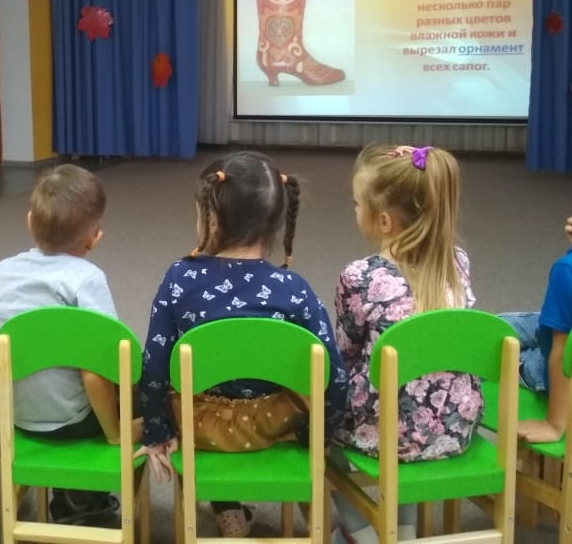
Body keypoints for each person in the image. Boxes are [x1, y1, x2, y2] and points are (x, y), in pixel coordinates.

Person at [137, 151, 347, 538]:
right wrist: (315, 434)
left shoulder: (179, 278)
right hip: (273, 424)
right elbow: (335, 378)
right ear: (277, 222)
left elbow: (153, 366)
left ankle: (226, 508)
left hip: (199, 427)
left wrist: (157, 432)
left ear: (211, 217)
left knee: (166, 385)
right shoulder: (294, 289)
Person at [332, 144, 477, 544]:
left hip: (387, 432)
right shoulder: (457, 262)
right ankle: (405, 530)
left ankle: (363, 533)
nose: (354, 209)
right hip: (454, 425)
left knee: (317, 431)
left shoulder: (361, 277)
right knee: (406, 393)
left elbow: (345, 356)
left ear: (383, 221)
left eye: (356, 203)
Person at [0, 163, 126, 524]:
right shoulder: (86, 279)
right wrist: (116, 432)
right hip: (71, 420)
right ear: (93, 238)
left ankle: (6, 472)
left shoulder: (3, 269)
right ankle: (81, 498)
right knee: (140, 382)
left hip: (13, 414)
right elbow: (105, 365)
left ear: (30, 222)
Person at [498, 214, 572, 443]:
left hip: (555, 368)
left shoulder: (566, 270)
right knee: (496, 325)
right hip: (555, 330)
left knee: (490, 346)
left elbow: (562, 351)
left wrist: (553, 425)